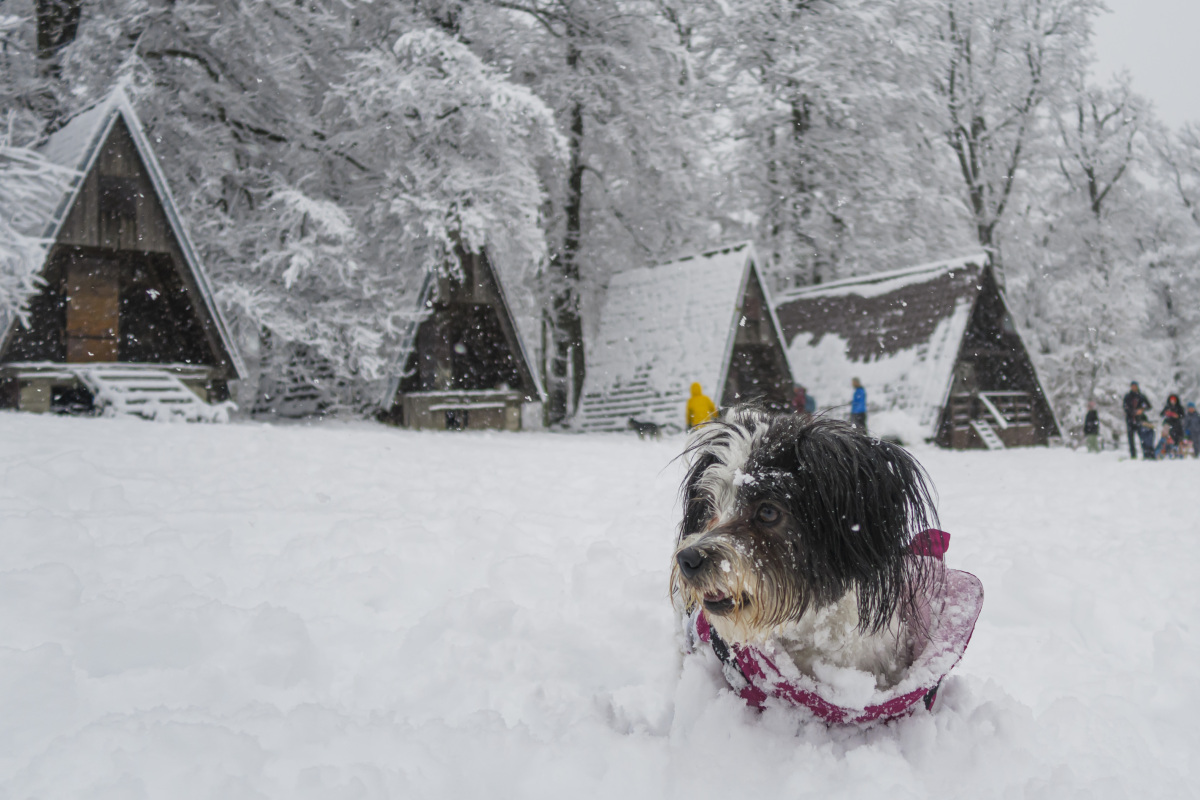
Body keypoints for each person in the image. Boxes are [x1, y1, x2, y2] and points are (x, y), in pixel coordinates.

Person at [1123, 382, 1152, 459]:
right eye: (1132, 386)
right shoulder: (1128, 397)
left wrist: (1141, 410)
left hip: (1139, 420)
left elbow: (1149, 406)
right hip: (1130, 420)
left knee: (1142, 437)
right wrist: (1133, 412)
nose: (1134, 388)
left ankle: (1145, 454)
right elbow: (1125, 408)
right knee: (1131, 439)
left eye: (1135, 386)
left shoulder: (1141, 396)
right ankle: (1133, 455)